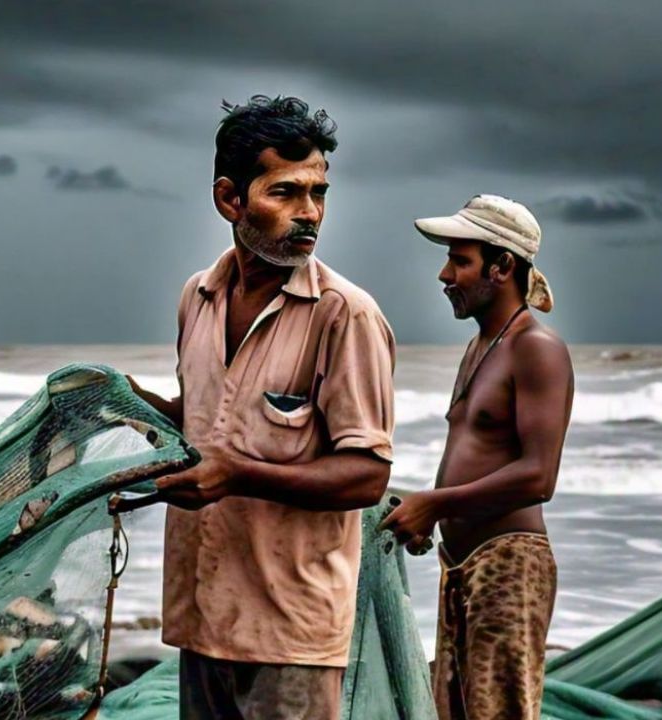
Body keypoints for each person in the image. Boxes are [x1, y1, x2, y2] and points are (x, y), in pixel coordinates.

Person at [128, 95, 395, 719]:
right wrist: (128, 406)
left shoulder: (345, 314)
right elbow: (205, 425)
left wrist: (238, 474)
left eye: (319, 194)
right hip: (200, 618)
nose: (310, 215)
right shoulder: (198, 296)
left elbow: (368, 474)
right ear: (229, 199)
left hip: (290, 634)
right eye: (285, 193)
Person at [379, 194, 573, 720]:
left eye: (460, 261)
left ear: (503, 265)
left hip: (509, 565)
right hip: (460, 567)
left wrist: (437, 503)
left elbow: (539, 475)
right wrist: (428, 514)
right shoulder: (481, 346)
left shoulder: (537, 348)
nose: (445, 275)